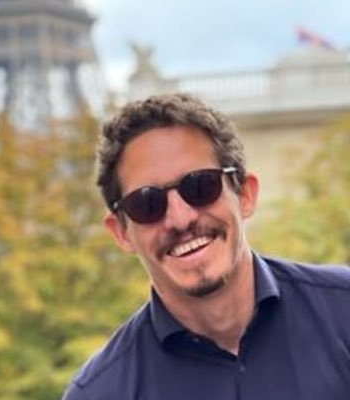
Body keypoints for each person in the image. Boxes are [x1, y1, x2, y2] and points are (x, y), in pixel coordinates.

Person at [62, 93, 350, 400]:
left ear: (245, 194)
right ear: (121, 232)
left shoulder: (342, 311)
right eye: (147, 203)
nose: (180, 219)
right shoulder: (102, 393)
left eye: (200, 186)